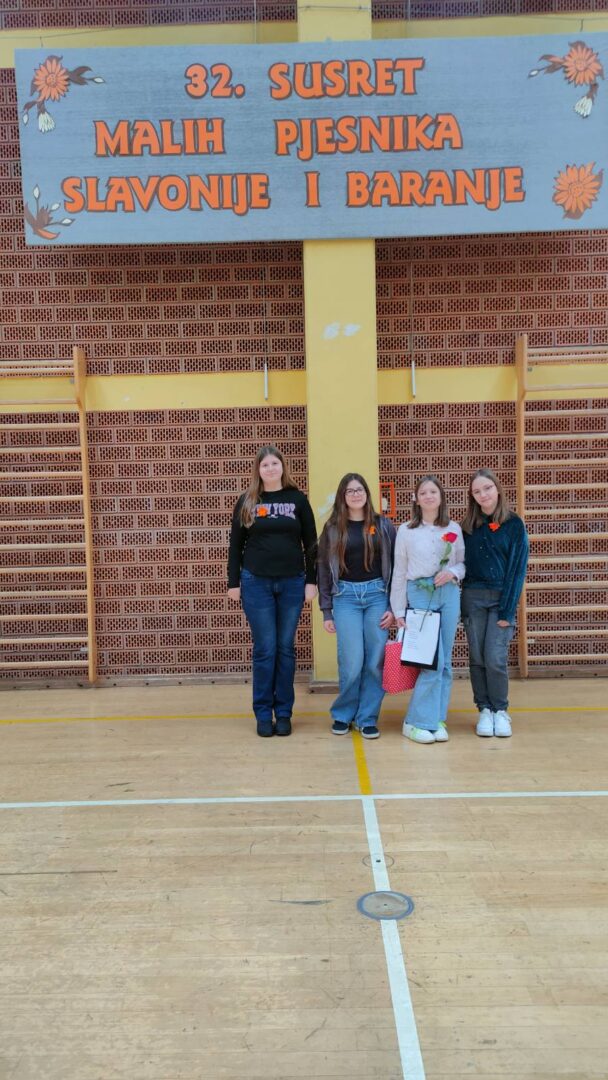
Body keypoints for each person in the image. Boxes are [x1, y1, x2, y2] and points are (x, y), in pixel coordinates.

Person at [227, 445, 318, 737]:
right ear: (258, 469)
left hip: (292, 582)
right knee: (265, 649)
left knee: (285, 648)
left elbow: (311, 543)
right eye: (265, 465)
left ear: (282, 467)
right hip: (256, 583)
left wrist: (312, 581)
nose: (270, 469)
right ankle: (264, 713)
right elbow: (235, 545)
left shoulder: (297, 499)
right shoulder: (248, 501)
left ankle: (285, 712)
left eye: (274, 464)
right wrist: (233, 582)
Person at [317, 473, 396, 739]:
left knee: (374, 661)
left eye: (359, 489)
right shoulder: (332, 528)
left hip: (377, 596)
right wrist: (326, 610)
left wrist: (393, 607)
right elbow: (323, 570)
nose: (355, 494)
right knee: (351, 662)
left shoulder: (383, 525)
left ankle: (367, 717)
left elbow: (397, 567)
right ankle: (343, 714)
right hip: (345, 598)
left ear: (367, 493)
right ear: (343, 496)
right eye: (349, 491)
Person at [390, 475, 465, 744]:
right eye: (423, 492)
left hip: (449, 594)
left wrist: (453, 573)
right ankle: (415, 721)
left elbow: (462, 563)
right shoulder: (406, 531)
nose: (429, 496)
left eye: (433, 491)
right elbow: (399, 571)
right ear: (416, 499)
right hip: (420, 594)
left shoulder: (454, 528)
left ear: (441, 496)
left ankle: (436, 718)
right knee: (431, 661)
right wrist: (399, 610)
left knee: (445, 663)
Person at [461, 467, 529, 738]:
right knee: (477, 657)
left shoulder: (514, 525)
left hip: (501, 598)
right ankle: (484, 710)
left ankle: (500, 710)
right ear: (472, 496)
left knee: (495, 657)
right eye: (477, 491)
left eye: (487, 488)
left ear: (497, 489)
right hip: (473, 598)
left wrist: (507, 611)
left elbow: (517, 570)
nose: (483, 495)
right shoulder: (467, 528)